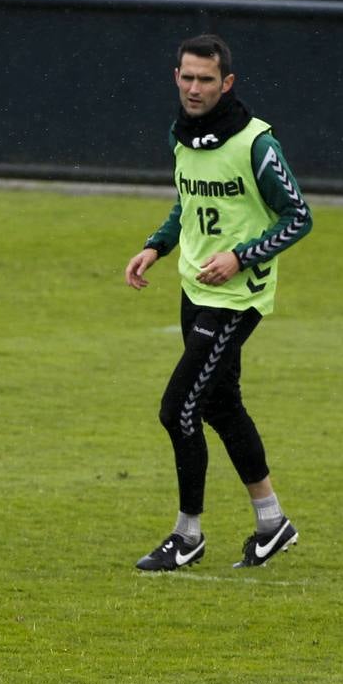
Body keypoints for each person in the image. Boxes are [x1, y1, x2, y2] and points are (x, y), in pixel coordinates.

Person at [126, 34, 312, 572]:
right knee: (220, 404)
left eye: (206, 79)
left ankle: (188, 535)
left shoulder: (256, 144)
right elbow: (188, 201)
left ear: (226, 83)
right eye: (186, 76)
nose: (194, 87)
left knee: (177, 409)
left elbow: (298, 217)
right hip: (194, 289)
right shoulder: (182, 135)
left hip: (236, 298)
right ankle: (272, 521)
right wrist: (156, 245)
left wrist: (243, 256)